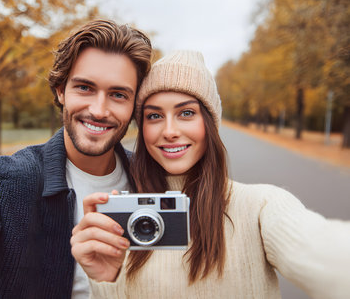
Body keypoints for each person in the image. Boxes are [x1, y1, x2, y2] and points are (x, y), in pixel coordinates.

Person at [0, 19, 152, 298]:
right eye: (84, 88)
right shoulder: (5, 179)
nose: (99, 109)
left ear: (134, 106)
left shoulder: (156, 181)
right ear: (60, 90)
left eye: (118, 94)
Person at [71, 50, 350, 298]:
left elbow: (324, 250)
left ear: (210, 123)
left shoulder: (260, 207)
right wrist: (105, 281)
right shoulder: (123, 219)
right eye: (154, 116)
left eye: (186, 113)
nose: (169, 131)